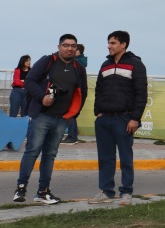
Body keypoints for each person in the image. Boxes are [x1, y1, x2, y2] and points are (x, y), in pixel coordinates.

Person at [13, 35, 88, 204]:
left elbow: (83, 92)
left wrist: (74, 114)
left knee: (50, 155)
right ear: (59, 46)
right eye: (66, 45)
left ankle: (43, 191)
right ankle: (21, 188)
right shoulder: (48, 61)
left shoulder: (79, 68)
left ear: (77, 49)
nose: (69, 48)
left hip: (62, 119)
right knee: (32, 151)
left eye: (73, 46)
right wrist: (42, 97)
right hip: (41, 115)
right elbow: (30, 81)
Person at [89, 31, 147, 206]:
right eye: (108, 42)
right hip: (104, 120)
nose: (109, 46)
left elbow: (141, 93)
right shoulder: (105, 65)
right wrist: (98, 112)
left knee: (125, 157)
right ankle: (106, 192)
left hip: (124, 119)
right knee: (105, 158)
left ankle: (126, 192)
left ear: (123, 44)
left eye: (113, 43)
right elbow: (98, 90)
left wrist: (135, 118)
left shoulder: (136, 64)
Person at [62, 44, 88, 143]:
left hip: (74, 91)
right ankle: (73, 135)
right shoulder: (81, 62)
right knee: (72, 113)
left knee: (70, 113)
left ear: (78, 51)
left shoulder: (76, 63)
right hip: (78, 91)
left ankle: (72, 136)